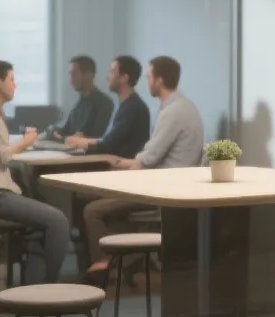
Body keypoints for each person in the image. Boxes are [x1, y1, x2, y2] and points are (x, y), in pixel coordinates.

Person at [82, 55, 204, 286]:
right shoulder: (180, 107)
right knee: (92, 197)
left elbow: (148, 159)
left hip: (161, 190)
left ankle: (104, 264)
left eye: (149, 77)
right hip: (163, 182)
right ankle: (133, 256)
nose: (146, 81)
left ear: (159, 80)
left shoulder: (174, 112)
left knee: (92, 210)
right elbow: (150, 155)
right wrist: (123, 164)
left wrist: (121, 166)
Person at [0, 61, 74, 284]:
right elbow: (2, 156)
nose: (15, 85)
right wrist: (25, 142)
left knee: (44, 216)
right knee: (59, 221)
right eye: (11, 79)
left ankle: (34, 285)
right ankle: (46, 287)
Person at [63, 55, 149, 159]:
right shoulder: (127, 105)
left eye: (112, 72)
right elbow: (107, 140)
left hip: (121, 166)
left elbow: (106, 144)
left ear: (124, 78)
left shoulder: (132, 108)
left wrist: (78, 141)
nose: (108, 77)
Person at [50, 55, 113, 141]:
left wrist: (67, 138)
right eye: (70, 74)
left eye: (74, 74)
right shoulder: (78, 105)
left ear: (88, 75)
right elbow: (66, 131)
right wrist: (52, 130)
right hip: (70, 146)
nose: (71, 80)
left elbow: (93, 137)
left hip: (84, 149)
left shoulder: (104, 103)